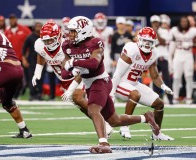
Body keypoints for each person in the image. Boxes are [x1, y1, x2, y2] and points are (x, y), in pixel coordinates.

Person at [62, 16, 160, 154]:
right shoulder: (67, 45)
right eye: (70, 31)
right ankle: (146, 117)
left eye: (73, 31)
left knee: (93, 109)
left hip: (101, 80)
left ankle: (104, 143)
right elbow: (64, 72)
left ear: (84, 31)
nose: (70, 34)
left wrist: (74, 63)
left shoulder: (95, 43)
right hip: (89, 84)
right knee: (114, 120)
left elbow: (94, 63)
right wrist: (71, 69)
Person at [32, 21, 114, 136]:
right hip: (64, 79)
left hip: (79, 75)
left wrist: (71, 88)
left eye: (51, 39)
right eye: (46, 41)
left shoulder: (67, 45)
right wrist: (38, 71)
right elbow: (41, 54)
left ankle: (105, 123)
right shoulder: (40, 45)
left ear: (58, 36)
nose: (49, 43)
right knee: (80, 104)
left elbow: (82, 68)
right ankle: (103, 120)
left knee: (77, 97)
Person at [110, 27, 174, 140]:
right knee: (135, 94)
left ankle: (157, 133)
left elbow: (154, 74)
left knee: (159, 104)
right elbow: (117, 74)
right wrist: (111, 93)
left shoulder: (154, 53)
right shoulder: (131, 49)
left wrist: (163, 86)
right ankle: (124, 126)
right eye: (145, 41)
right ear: (139, 39)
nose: (147, 44)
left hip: (133, 83)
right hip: (120, 82)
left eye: (150, 42)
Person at [169, 16, 196, 104]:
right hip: (178, 54)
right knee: (176, 77)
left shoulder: (193, 31)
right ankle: (175, 97)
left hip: (188, 55)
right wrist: (171, 59)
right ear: (179, 22)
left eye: (185, 21)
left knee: (189, 77)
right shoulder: (174, 30)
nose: (184, 23)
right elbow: (171, 46)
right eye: (182, 21)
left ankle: (189, 97)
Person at [150, 15, 173, 104]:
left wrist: (157, 33)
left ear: (159, 23)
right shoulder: (149, 31)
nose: (155, 24)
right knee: (155, 77)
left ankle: (170, 98)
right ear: (152, 23)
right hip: (154, 58)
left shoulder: (163, 31)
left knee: (166, 78)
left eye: (157, 22)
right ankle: (158, 97)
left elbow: (163, 42)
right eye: (154, 22)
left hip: (163, 57)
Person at [22, 22, 44, 101]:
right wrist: (24, 59)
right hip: (32, 60)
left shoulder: (44, 37)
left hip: (43, 60)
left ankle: (40, 94)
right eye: (37, 26)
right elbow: (24, 49)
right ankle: (32, 94)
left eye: (40, 26)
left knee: (41, 77)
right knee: (32, 77)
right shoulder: (30, 37)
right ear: (34, 27)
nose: (39, 28)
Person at [93, 12, 114, 76]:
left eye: (101, 22)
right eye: (99, 22)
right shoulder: (92, 30)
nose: (100, 24)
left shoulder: (109, 30)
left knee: (107, 71)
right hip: (94, 52)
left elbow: (112, 44)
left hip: (106, 52)